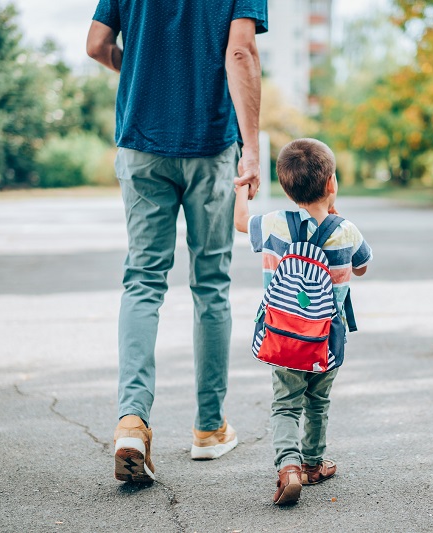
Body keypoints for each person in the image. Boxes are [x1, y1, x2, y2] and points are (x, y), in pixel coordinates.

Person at [86, 0, 268, 483]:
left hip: (141, 140)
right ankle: (209, 429)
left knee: (143, 281)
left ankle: (132, 420)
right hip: (210, 144)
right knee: (210, 284)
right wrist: (252, 148)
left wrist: (142, 70)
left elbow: (97, 45)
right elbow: (241, 53)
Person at [233, 138, 373, 505]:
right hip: (326, 340)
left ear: (285, 187)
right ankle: (313, 464)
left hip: (282, 339)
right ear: (331, 184)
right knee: (317, 402)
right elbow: (361, 266)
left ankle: (288, 468)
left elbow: (239, 223)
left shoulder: (274, 224)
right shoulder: (347, 231)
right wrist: (334, 214)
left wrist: (242, 188)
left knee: (285, 404)